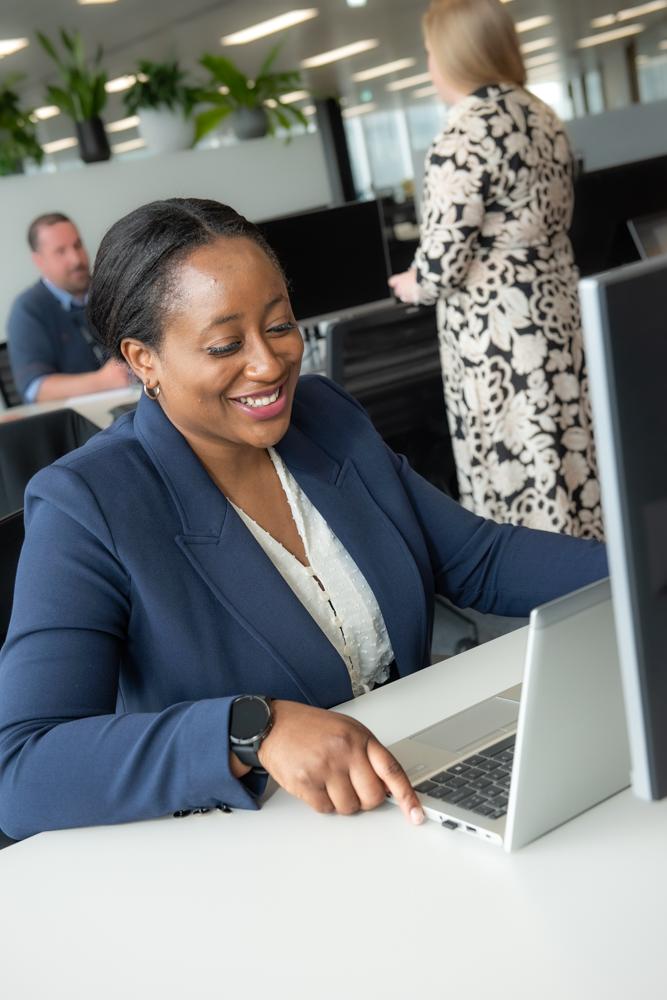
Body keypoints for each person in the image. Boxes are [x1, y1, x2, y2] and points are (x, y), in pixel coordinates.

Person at [0, 198, 608, 841]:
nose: (268, 365)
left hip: (400, 794)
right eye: (226, 344)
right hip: (250, 846)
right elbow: (20, 768)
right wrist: (250, 730)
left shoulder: (323, 417)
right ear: (144, 359)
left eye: (281, 325)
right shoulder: (87, 503)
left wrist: (641, 574)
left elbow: (478, 559)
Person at [389, 0, 603, 540]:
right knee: (567, 459)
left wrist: (411, 283)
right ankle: (595, 589)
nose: (430, 63)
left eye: (432, 52)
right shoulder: (543, 116)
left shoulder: (464, 133)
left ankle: (545, 603)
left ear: (458, 55)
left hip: (500, 335)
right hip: (557, 313)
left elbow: (441, 262)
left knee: (522, 475)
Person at [6, 212, 130, 403]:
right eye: (61, 251)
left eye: (77, 245)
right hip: (80, 423)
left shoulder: (109, 289)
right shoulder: (28, 309)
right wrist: (103, 381)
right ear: (39, 261)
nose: (76, 259)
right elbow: (35, 389)